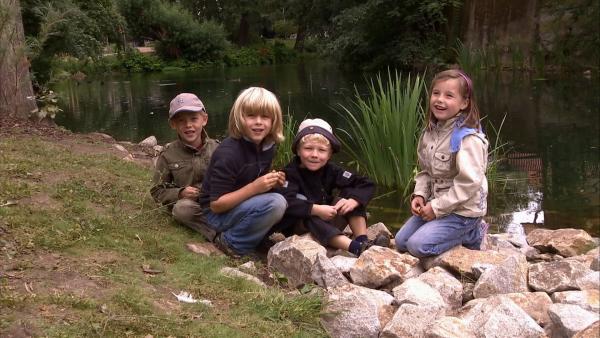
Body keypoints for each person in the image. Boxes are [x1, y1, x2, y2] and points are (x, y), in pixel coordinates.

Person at [394, 69, 489, 258]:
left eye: (449, 96)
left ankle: (473, 233)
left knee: (417, 246)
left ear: (464, 103)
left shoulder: (467, 138)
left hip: (463, 211)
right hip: (438, 204)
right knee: (401, 241)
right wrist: (420, 195)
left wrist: (436, 208)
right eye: (436, 93)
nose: (440, 100)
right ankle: (456, 232)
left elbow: (469, 184)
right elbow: (425, 171)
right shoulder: (430, 132)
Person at [273, 118, 387, 256]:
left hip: (327, 218)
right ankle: (356, 248)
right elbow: (286, 203)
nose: (314, 155)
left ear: (329, 154)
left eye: (321, 150)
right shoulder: (289, 173)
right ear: (298, 150)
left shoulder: (331, 170)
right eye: (308, 148)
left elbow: (366, 183)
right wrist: (315, 209)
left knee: (352, 195)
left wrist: (353, 200)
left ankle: (363, 240)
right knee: (308, 214)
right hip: (300, 227)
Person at [199, 87, 287, 257]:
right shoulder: (229, 154)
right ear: (239, 118)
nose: (259, 122)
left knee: (287, 194)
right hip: (214, 215)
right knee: (276, 203)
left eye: (265, 116)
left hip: (238, 205)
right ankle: (231, 244)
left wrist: (272, 181)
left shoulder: (268, 145)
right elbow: (216, 205)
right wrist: (255, 187)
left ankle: (253, 237)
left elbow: (253, 178)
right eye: (251, 116)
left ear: (274, 120)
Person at [151, 93, 219, 241]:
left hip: (218, 203)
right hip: (192, 207)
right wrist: (180, 193)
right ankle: (217, 235)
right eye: (181, 121)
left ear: (204, 120)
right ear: (173, 124)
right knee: (181, 210)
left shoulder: (219, 149)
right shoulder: (167, 155)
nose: (188, 125)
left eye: (194, 119)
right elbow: (157, 191)